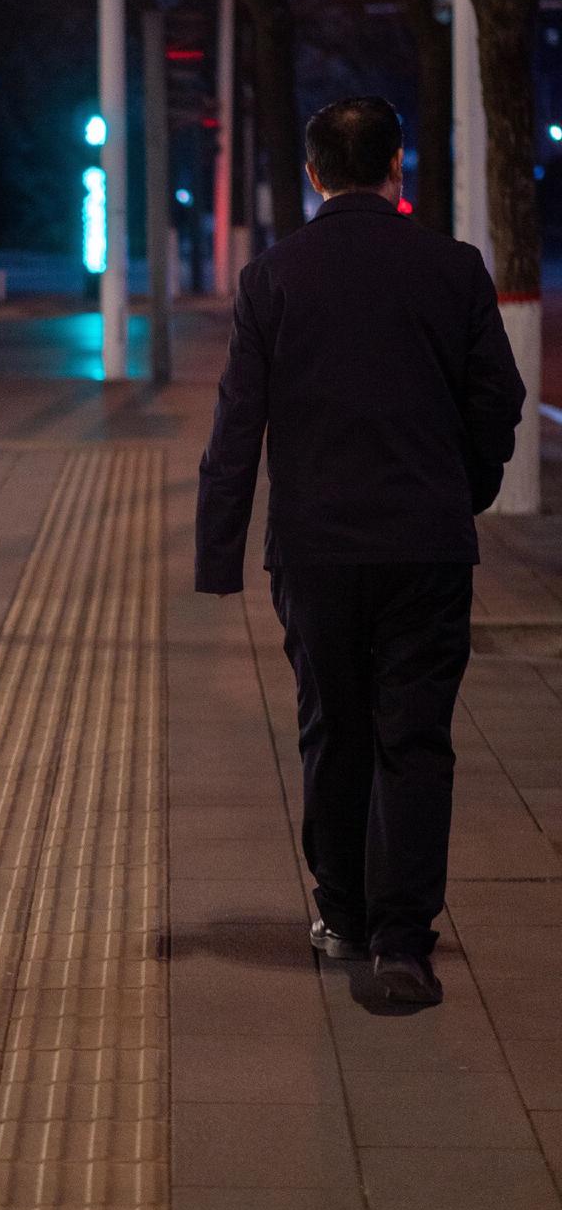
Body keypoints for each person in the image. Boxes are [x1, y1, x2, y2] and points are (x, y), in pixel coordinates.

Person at [195, 98, 525, 1007]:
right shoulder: (452, 270)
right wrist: (468, 487)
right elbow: (499, 397)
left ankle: (341, 913)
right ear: (396, 168)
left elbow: (237, 425)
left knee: (332, 729)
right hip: (425, 546)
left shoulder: (273, 277)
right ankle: (402, 941)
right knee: (414, 737)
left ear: (314, 176)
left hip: (315, 551)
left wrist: (220, 552)